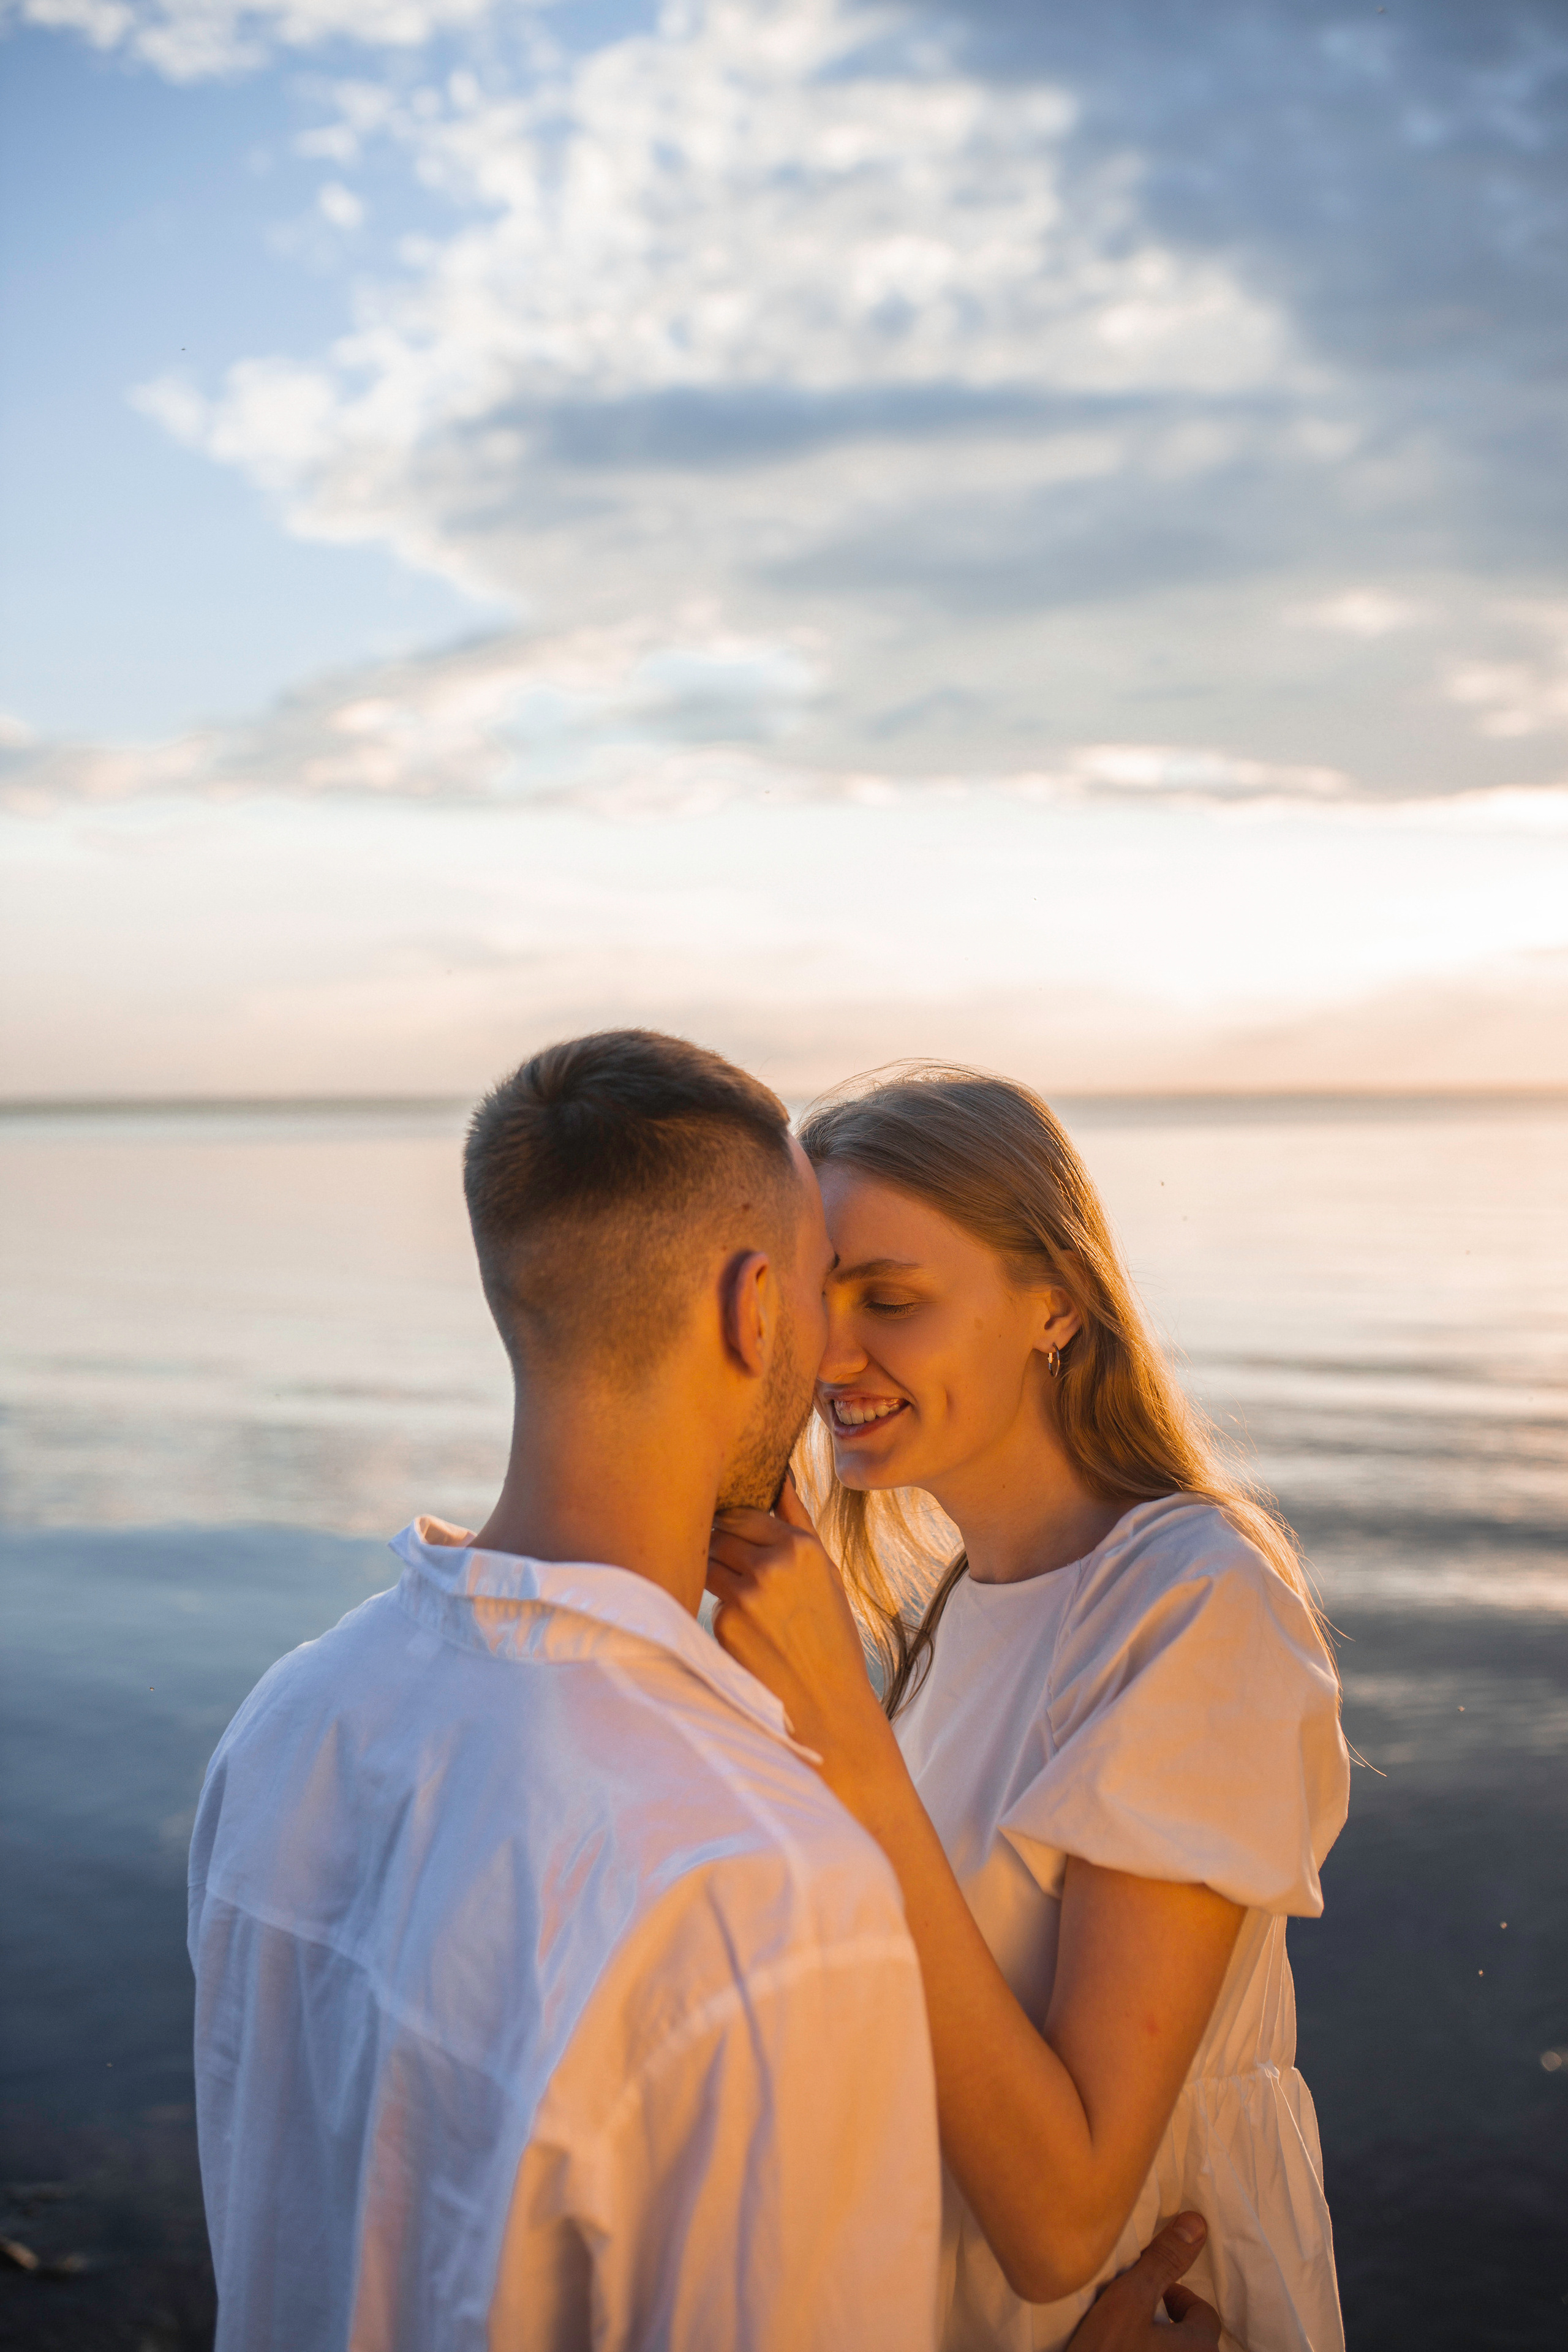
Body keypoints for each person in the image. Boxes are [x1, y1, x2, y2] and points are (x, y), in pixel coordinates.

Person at [188, 1029, 1221, 2352]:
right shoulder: (760, 1885)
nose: (832, 1356)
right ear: (751, 1311)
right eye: (815, 1291)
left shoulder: (291, 1718)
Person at [706, 1065, 1350, 2352]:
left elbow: (1065, 2221)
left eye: (887, 1298)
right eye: (810, 1298)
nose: (828, 1356)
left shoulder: (1189, 1605)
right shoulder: (954, 1602)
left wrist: (840, 1729)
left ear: (1052, 1304)